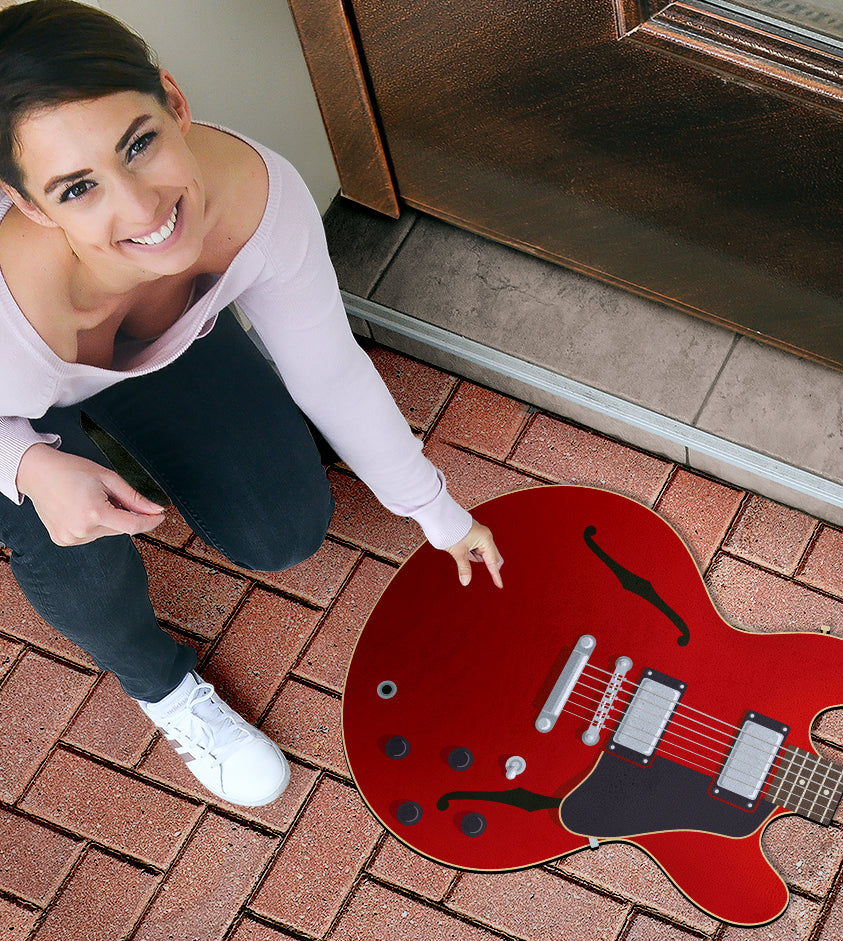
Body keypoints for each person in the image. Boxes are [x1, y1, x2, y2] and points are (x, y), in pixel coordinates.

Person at [0, 0, 503, 808]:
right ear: (27, 204)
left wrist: (436, 512)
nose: (140, 210)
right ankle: (160, 687)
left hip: (155, 353)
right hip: (12, 408)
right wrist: (27, 464)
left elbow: (331, 370)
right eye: (77, 187)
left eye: (140, 143)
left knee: (283, 530)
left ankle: (130, 417)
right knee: (83, 566)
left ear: (175, 100)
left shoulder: (259, 198)